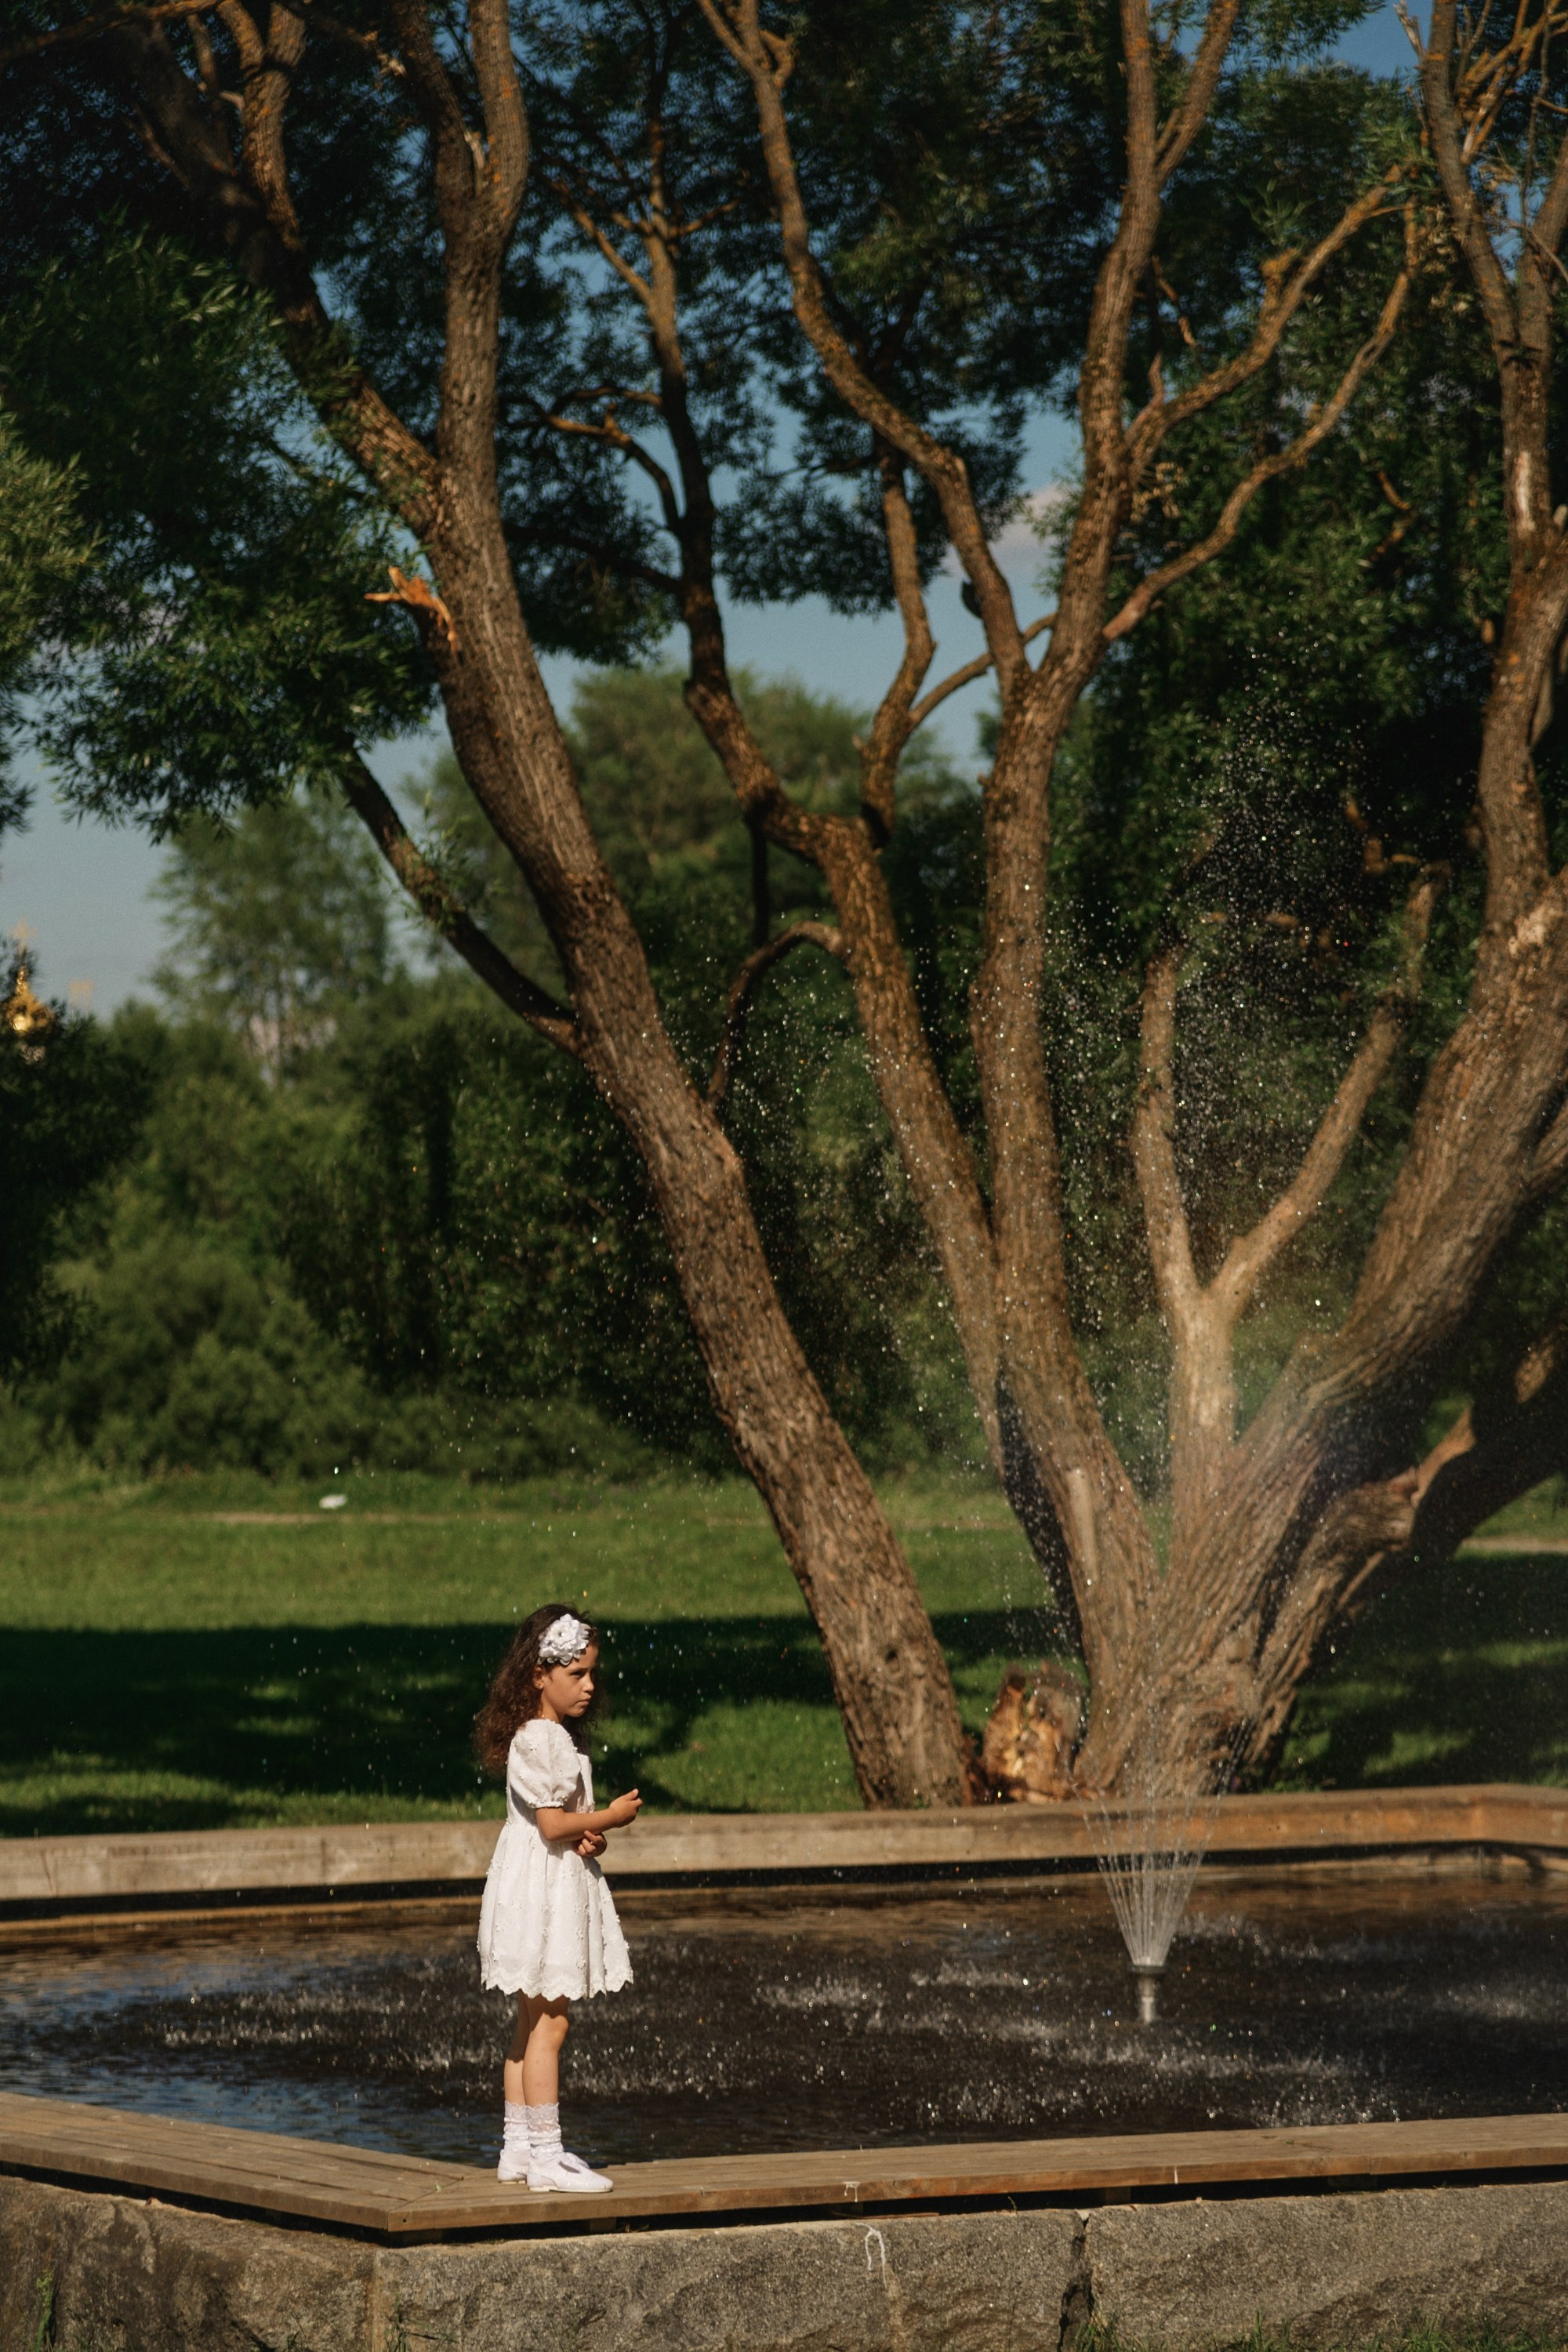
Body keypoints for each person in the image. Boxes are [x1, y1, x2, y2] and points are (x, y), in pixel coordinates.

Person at [474, 1603, 641, 2191]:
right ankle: (547, 2155)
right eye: (578, 1674)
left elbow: (559, 1825)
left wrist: (586, 1835)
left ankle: (516, 2147)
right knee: (552, 2022)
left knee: (528, 2020)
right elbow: (549, 1825)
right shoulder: (543, 1738)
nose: (590, 1686)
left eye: (593, 1673)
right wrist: (611, 1818)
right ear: (538, 1675)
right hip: (541, 1891)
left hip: (531, 1880)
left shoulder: (540, 1735)